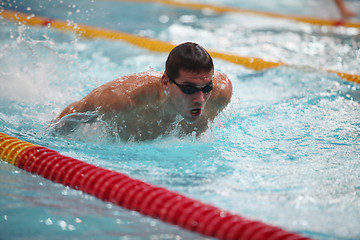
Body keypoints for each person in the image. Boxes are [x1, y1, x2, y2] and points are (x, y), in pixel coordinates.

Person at [53, 42, 233, 141]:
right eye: (189, 89)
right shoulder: (120, 100)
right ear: (165, 82)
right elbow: (70, 117)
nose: (200, 99)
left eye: (206, 88)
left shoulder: (220, 94)